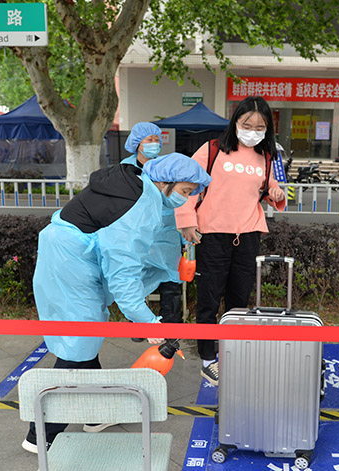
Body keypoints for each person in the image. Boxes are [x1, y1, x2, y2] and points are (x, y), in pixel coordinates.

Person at [22, 153, 211, 454]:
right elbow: (124, 271)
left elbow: (157, 237)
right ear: (166, 182)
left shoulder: (141, 185)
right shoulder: (138, 204)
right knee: (78, 346)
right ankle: (40, 434)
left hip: (68, 253)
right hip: (70, 262)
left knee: (86, 342)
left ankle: (95, 415)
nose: (184, 198)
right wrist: (147, 321)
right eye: (185, 191)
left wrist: (178, 258)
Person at [174, 96, 286, 386]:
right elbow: (187, 186)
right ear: (235, 122)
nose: (252, 131)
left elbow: (268, 185)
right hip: (212, 235)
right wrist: (186, 220)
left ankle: (232, 352)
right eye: (247, 125)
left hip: (247, 236)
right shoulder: (212, 149)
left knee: (239, 300)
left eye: (260, 127)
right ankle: (208, 359)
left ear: (268, 129)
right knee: (209, 299)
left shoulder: (267, 156)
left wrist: (276, 193)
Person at [121, 122, 184, 328]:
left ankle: (171, 327)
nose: (154, 143)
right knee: (135, 280)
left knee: (171, 280)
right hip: (136, 234)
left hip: (166, 232)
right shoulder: (125, 169)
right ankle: (140, 325)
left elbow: (178, 197)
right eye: (150, 140)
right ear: (137, 143)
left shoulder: (166, 166)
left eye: (157, 139)